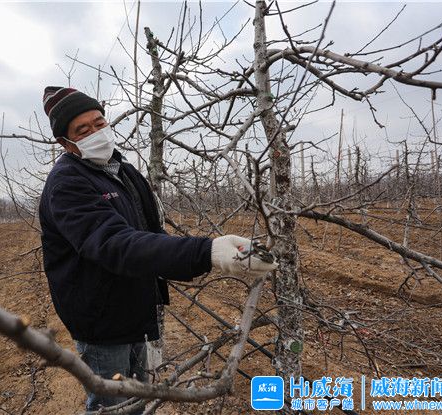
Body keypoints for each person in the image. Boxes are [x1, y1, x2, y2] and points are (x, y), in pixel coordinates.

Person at [38, 86, 278, 412]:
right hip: (100, 319)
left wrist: (204, 251)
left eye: (99, 123)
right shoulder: (67, 183)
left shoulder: (123, 170)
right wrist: (205, 252)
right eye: (83, 130)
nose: (96, 132)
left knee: (137, 399)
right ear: (66, 143)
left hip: (134, 306)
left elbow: (150, 232)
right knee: (113, 406)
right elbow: (116, 243)